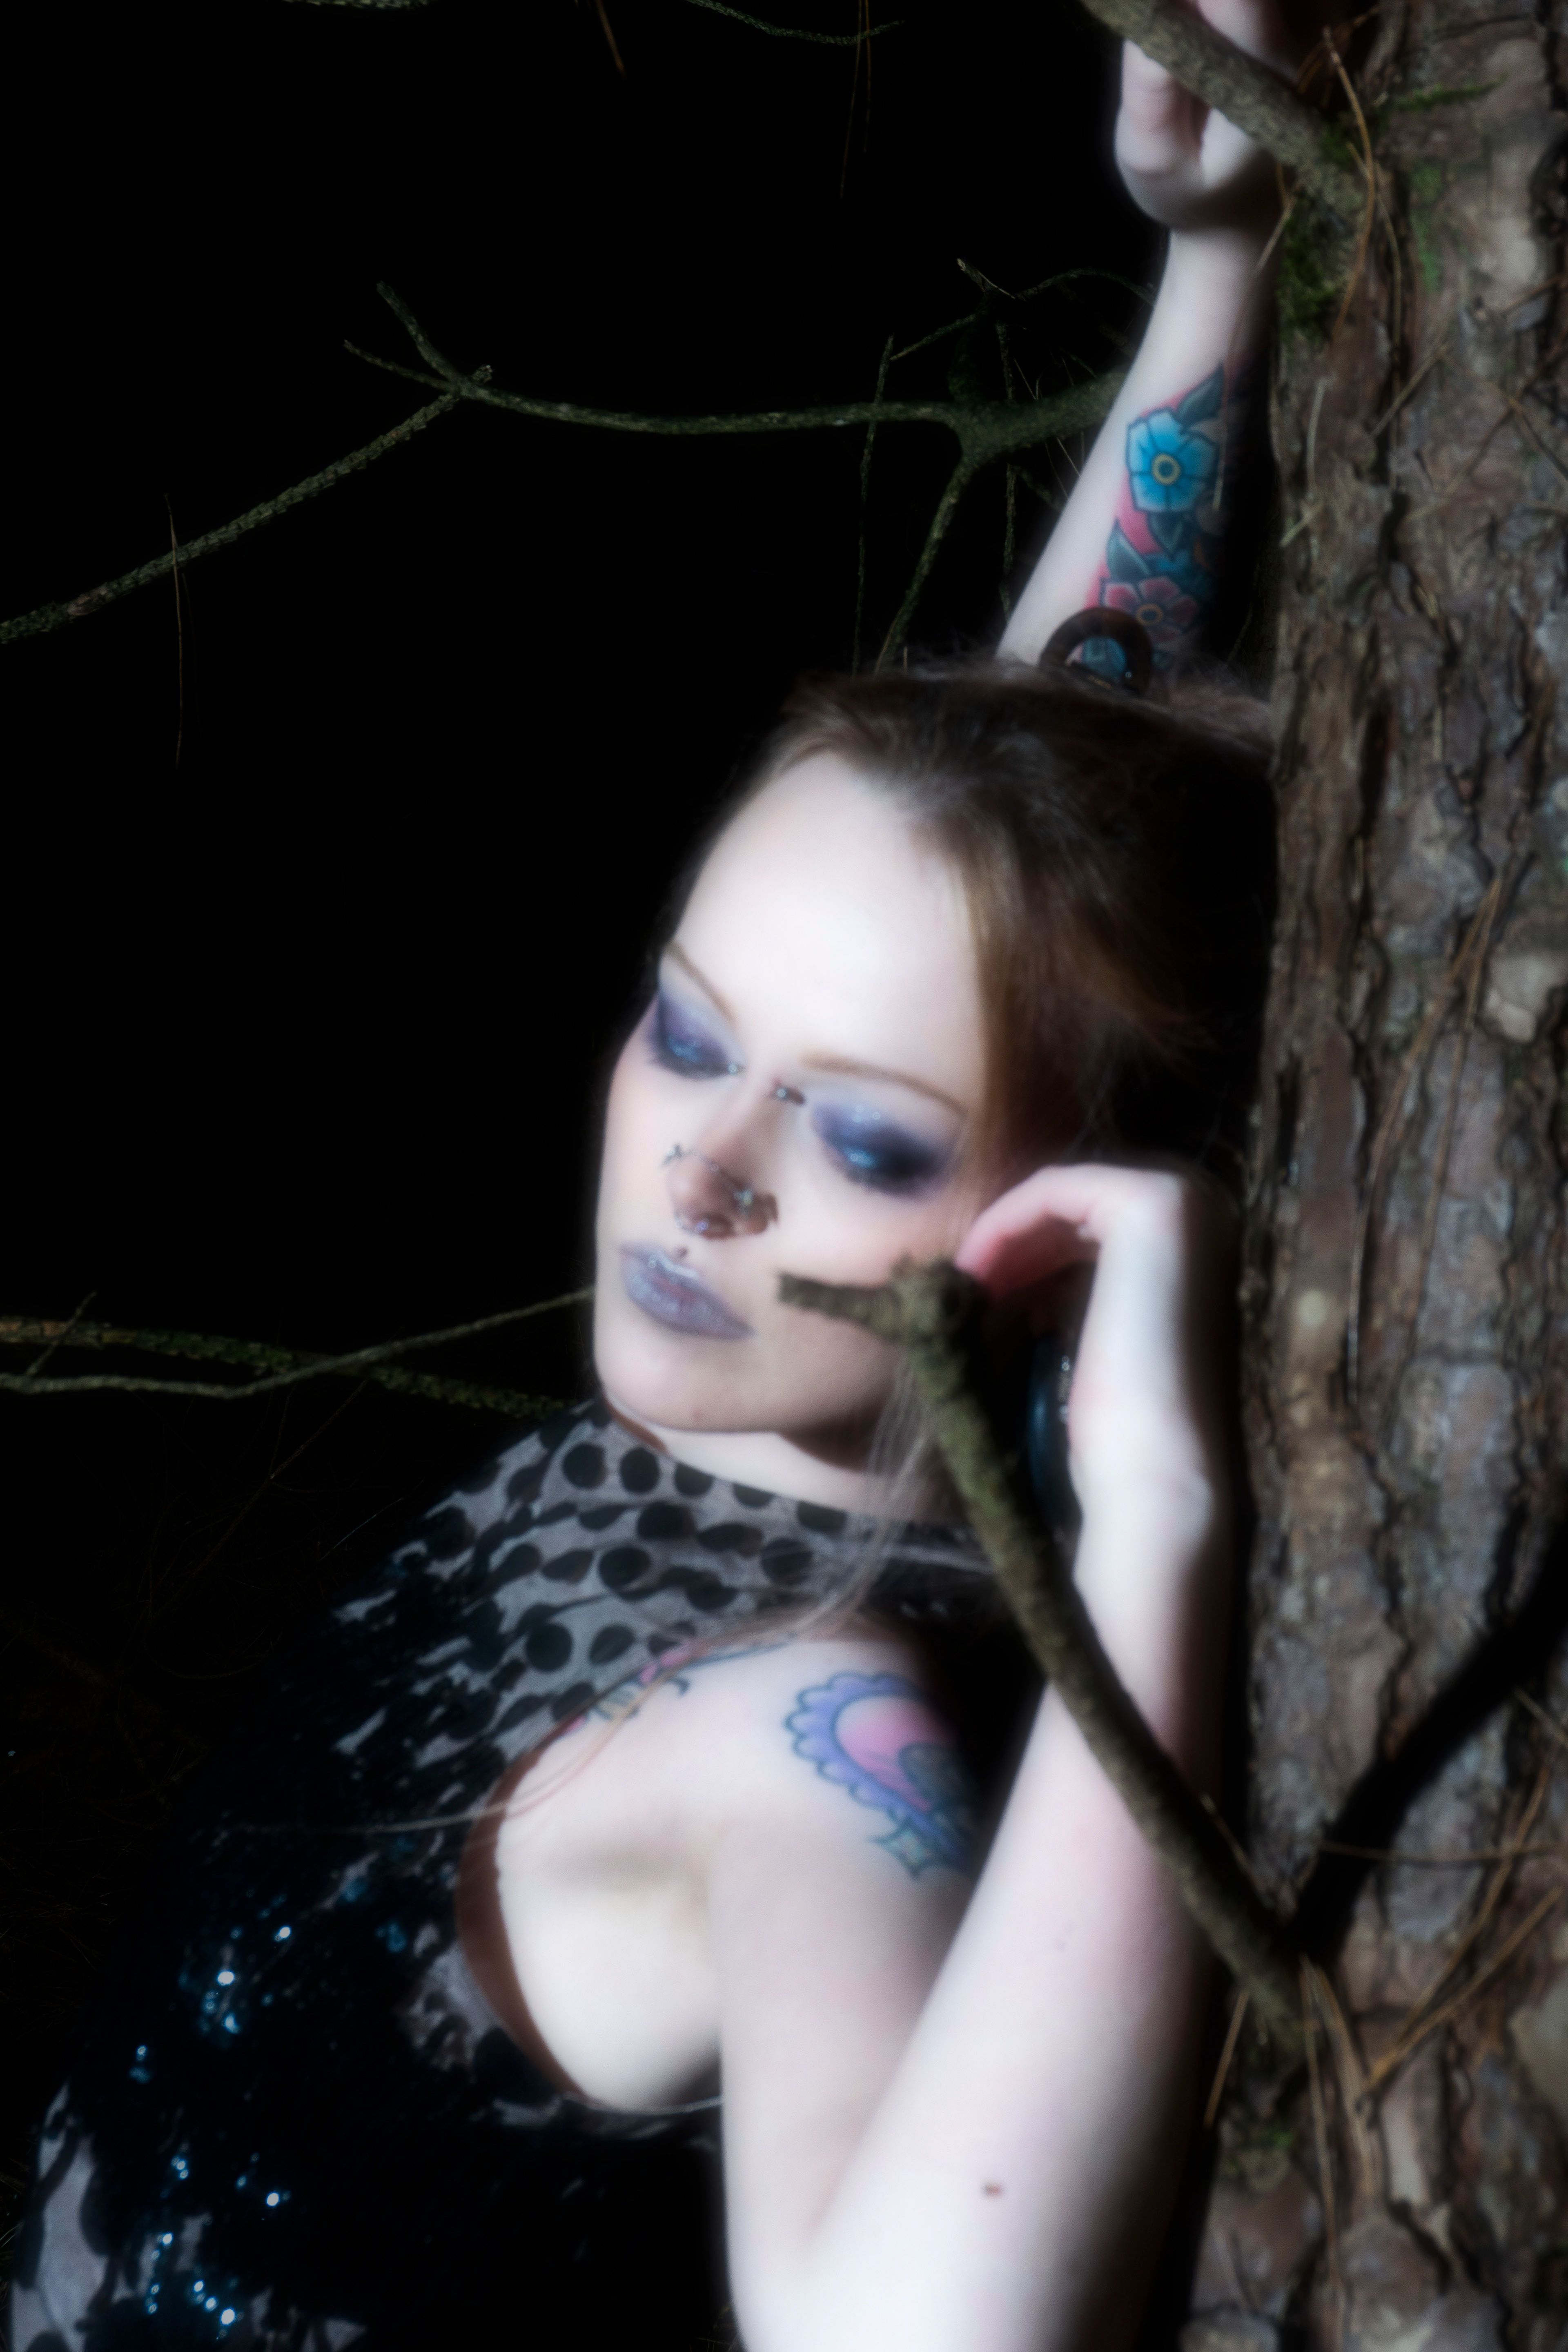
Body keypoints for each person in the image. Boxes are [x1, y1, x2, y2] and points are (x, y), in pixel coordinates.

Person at [11, 4, 1300, 2345]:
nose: (703, 1170)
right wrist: (1217, 259)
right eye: (692, 1033)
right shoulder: (735, 1452)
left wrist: (1160, 1535)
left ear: (1057, 1224)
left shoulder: (809, 1751)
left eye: (864, 1136)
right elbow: (1029, 842)